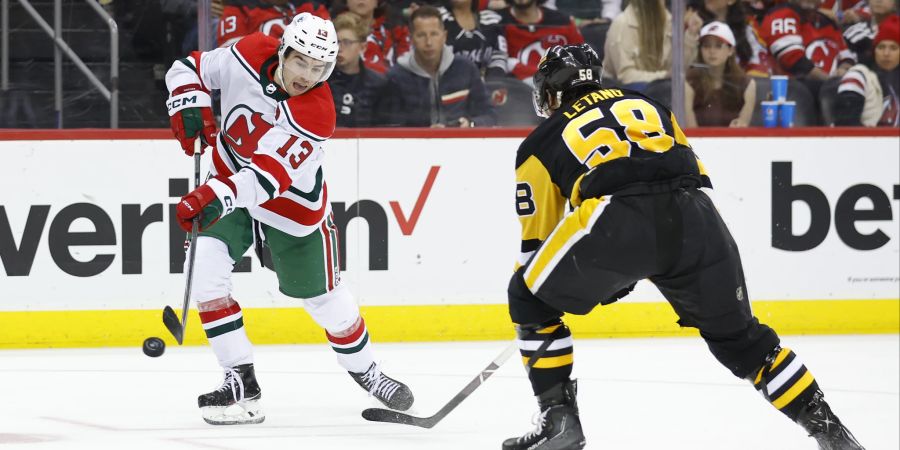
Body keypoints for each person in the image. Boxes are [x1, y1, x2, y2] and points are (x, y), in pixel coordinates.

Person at [502, 43, 865, 450]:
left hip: (617, 221)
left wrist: (600, 273)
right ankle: (834, 434)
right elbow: (690, 172)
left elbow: (538, 245)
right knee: (744, 340)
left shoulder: (539, 142)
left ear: (551, 88)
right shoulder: (649, 104)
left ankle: (559, 422)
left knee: (528, 295)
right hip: (697, 218)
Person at [165, 12, 414, 425]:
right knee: (205, 272)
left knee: (324, 299)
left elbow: (265, 179)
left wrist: (214, 194)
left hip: (290, 208)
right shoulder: (247, 51)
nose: (307, 75)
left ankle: (367, 370)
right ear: (282, 50)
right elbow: (187, 67)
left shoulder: (316, 112)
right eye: (301, 62)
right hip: (230, 183)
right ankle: (239, 378)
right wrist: (189, 102)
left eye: (320, 68)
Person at [380, 5, 497, 126]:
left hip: (461, 142)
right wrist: (426, 135)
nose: (429, 42)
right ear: (411, 38)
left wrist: (470, 124)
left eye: (434, 34)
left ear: (444, 36)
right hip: (416, 144)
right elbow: (390, 127)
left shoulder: (466, 68)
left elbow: (489, 115)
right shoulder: (396, 77)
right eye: (421, 35)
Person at [602, 0, 702, 90]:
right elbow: (626, 76)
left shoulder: (668, 20)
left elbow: (676, 67)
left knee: (687, 89)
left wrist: (690, 35)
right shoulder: (622, 24)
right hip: (624, 92)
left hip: (661, 87)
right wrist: (665, 76)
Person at [686, 21, 756, 127]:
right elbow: (690, 132)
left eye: (718, 46)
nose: (711, 51)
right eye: (706, 46)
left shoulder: (747, 85)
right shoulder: (689, 82)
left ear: (730, 50)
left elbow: (743, 127)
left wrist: (739, 126)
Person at [498, 0, 585, 84]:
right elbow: (496, 64)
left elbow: (581, 59)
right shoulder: (498, 22)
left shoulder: (563, 21)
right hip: (518, 91)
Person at [835, 14, 900, 126]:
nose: (886, 53)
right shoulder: (858, 75)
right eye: (881, 47)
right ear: (874, 51)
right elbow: (845, 125)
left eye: (893, 48)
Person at [329, 12, 389, 126]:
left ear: (363, 47)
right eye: (336, 42)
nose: (339, 48)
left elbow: (385, 130)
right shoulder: (321, 81)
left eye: (346, 42)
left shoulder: (379, 84)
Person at [439, 0, 509, 78]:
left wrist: (492, 81)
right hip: (448, 84)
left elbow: (499, 57)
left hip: (487, 84)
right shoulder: (437, 18)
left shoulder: (492, 20)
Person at [217, 0, 330, 47]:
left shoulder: (312, 7)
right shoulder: (239, 7)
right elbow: (232, 58)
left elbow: (327, 46)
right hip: (255, 84)